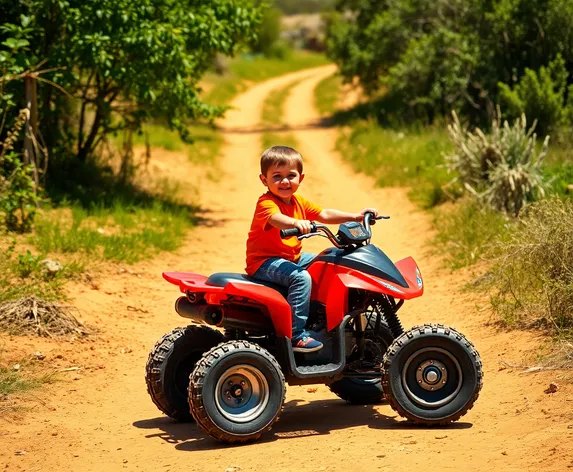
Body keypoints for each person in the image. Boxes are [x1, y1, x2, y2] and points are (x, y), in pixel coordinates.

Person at [245, 145, 377, 353]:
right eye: (277, 176)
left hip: (292, 257)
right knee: (301, 278)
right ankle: (296, 336)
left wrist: (356, 216)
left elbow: (324, 214)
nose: (285, 181)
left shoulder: (298, 201)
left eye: (291, 175)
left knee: (328, 262)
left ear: (301, 178)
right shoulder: (266, 203)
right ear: (264, 180)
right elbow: (276, 219)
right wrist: (295, 223)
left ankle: (320, 319)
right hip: (264, 261)